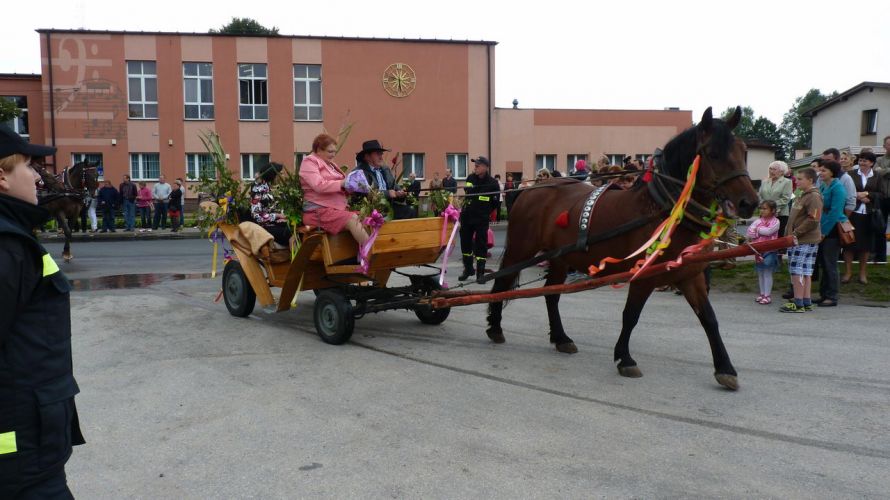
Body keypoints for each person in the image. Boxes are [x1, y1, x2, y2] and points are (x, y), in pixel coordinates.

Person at [0, 124, 85, 498]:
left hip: (29, 438)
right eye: (29, 166)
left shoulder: (14, 236)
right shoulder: (7, 245)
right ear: (1, 177)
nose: (37, 176)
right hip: (20, 451)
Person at [301, 134, 369, 245]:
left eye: (334, 152)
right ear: (318, 150)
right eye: (330, 151)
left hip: (336, 210)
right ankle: (371, 254)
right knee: (352, 219)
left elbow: (341, 187)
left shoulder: (330, 164)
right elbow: (318, 185)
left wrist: (354, 187)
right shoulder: (309, 161)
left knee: (367, 217)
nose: (333, 155)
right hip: (318, 212)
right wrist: (343, 183)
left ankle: (362, 254)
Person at [780, 167, 823, 313]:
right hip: (799, 239)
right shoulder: (802, 195)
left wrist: (796, 233)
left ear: (810, 180)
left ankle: (798, 303)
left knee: (797, 271)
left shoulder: (813, 196)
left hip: (803, 240)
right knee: (804, 271)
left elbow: (813, 219)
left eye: (800, 179)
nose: (796, 181)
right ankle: (805, 301)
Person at [458, 156, 499, 281]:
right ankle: (468, 269)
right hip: (467, 216)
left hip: (481, 218)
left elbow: (495, 202)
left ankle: (480, 273)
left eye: (478, 165)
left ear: (486, 167)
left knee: (481, 245)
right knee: (465, 243)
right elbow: (468, 191)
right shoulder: (471, 178)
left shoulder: (493, 183)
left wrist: (485, 211)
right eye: (475, 165)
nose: (475, 167)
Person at [844, 151, 882, 283]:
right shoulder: (850, 174)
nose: (862, 163)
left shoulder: (877, 176)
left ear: (871, 163)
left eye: (865, 161)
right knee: (849, 243)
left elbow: (881, 194)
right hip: (852, 213)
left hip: (868, 214)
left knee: (865, 246)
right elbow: (845, 191)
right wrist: (857, 196)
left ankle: (862, 273)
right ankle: (848, 272)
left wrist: (868, 195)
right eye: (860, 160)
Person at [814, 159, 848, 308]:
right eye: (820, 170)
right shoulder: (822, 186)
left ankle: (832, 296)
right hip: (821, 226)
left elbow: (835, 212)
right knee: (823, 263)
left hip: (832, 230)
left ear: (832, 172)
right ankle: (823, 294)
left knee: (830, 263)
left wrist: (824, 232)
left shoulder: (838, 188)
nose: (820, 173)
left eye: (824, 171)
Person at [249, 162, 291, 246]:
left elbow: (283, 209)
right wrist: (277, 216)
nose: (284, 176)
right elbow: (257, 215)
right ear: (273, 175)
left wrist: (287, 218)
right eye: (281, 174)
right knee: (289, 233)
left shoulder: (278, 189)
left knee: (300, 228)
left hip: (279, 223)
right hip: (265, 226)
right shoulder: (258, 190)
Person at [747, 200, 781, 304]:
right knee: (760, 273)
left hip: (770, 250)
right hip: (758, 251)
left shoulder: (776, 221)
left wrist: (757, 230)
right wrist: (760, 231)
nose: (762, 210)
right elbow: (749, 232)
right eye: (761, 208)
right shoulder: (758, 220)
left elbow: (769, 231)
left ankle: (767, 295)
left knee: (767, 272)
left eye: (765, 208)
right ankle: (762, 294)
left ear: (773, 210)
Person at [758, 161, 793, 237]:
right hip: (764, 213)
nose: (771, 171)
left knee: (777, 237)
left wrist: (770, 208)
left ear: (782, 172)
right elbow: (760, 196)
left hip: (780, 214)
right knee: (763, 237)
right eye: (770, 169)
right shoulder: (764, 181)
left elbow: (785, 199)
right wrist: (764, 208)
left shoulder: (787, 182)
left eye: (774, 169)